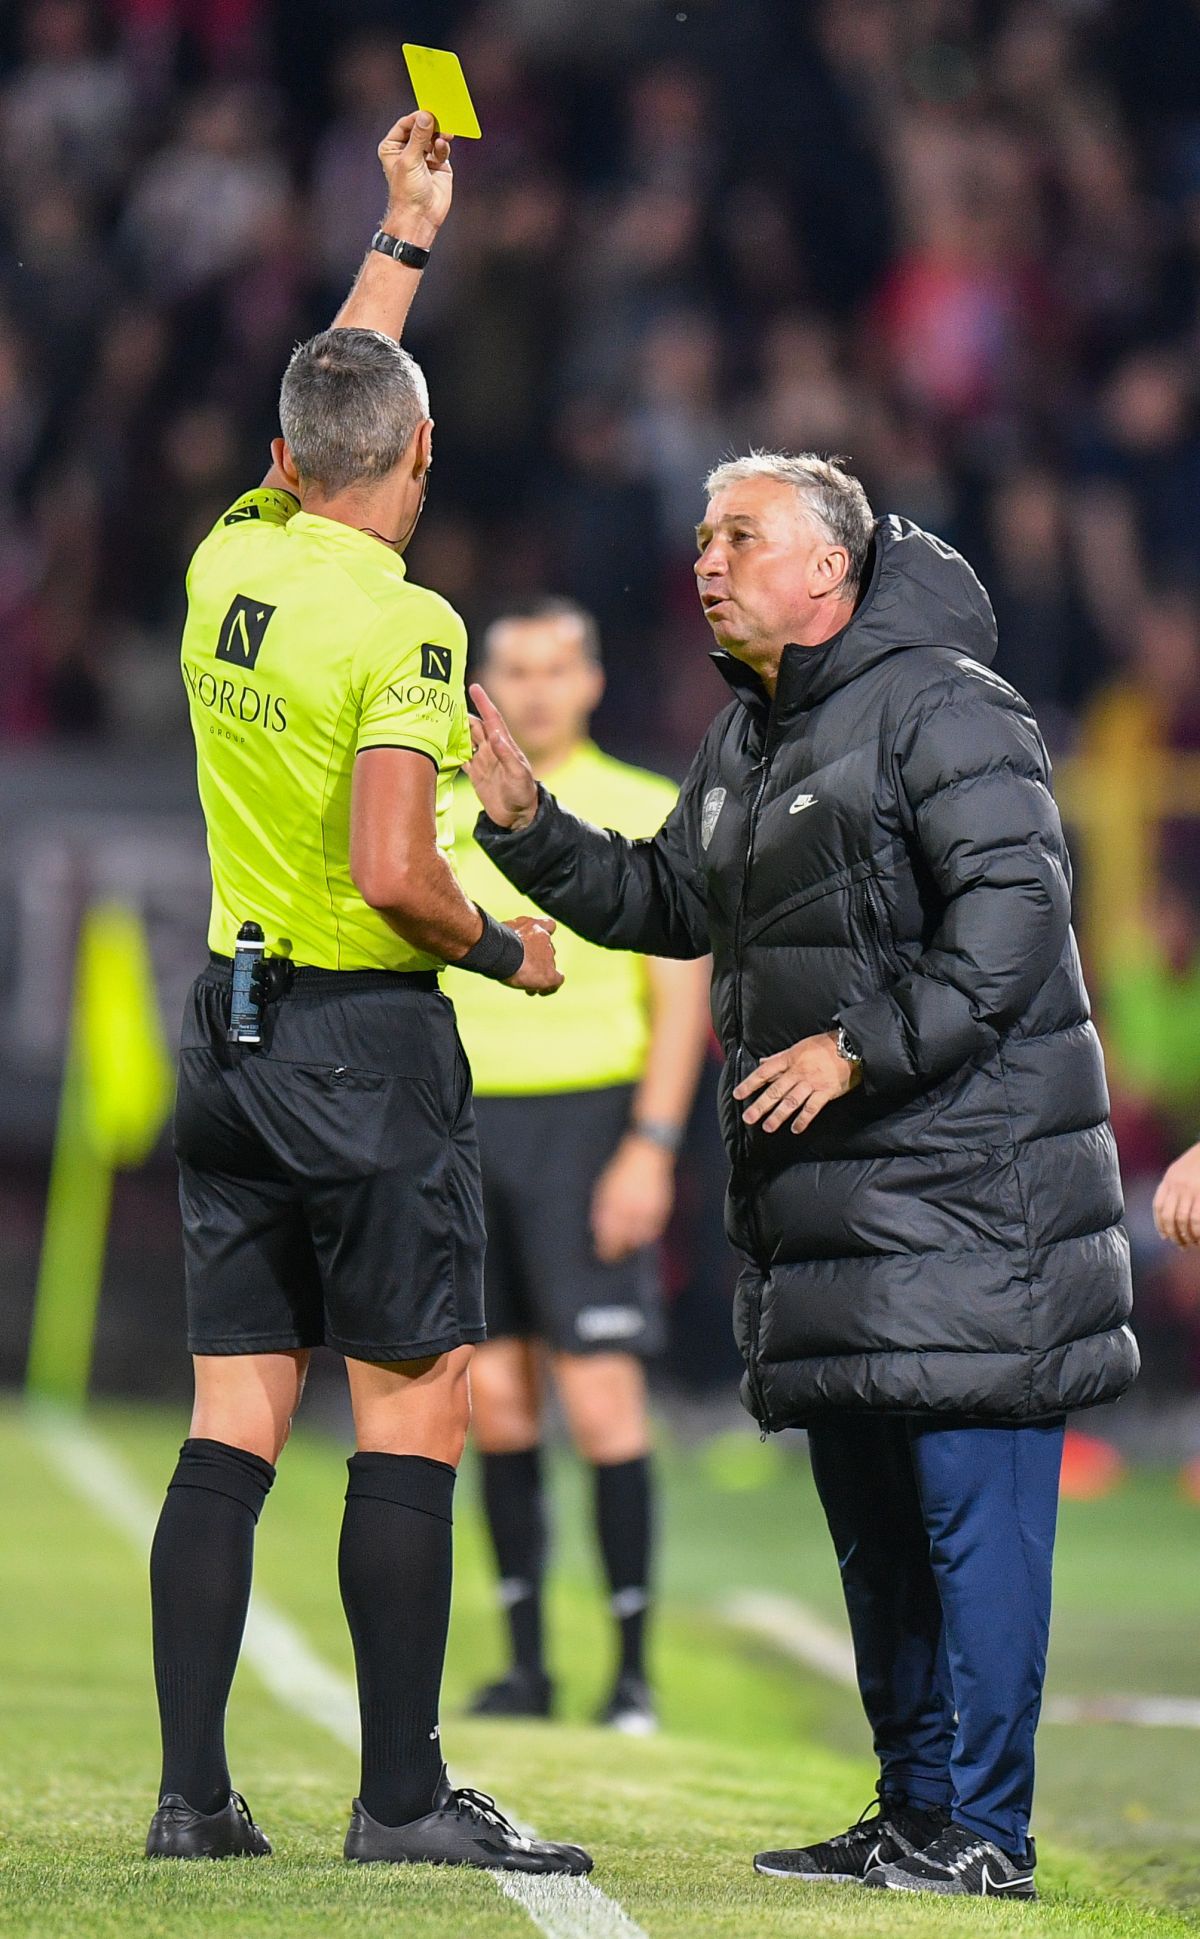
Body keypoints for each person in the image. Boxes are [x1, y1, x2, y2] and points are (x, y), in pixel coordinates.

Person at [467, 452, 1138, 1899]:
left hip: (975, 1202)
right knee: (884, 1544)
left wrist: (853, 1048)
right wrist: (528, 830)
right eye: (704, 535)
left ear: (828, 566)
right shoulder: (753, 734)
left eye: (741, 534)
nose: (706, 558)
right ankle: (910, 1808)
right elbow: (665, 898)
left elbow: (1015, 919)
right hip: (840, 1217)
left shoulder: (949, 701)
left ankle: (990, 1831)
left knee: (973, 1537)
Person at [145, 108, 591, 1876]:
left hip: (230, 1027)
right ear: (412, 462)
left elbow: (341, 391)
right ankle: (402, 1797)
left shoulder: (227, 559)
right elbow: (405, 867)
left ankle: (195, 1799)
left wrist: (403, 237)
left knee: (230, 1413)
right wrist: (513, 946)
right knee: (413, 1400)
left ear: (282, 455)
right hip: (362, 1039)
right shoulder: (407, 623)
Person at [443, 600, 711, 1733]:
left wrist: (649, 1147)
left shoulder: (644, 808)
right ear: (482, 684)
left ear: (593, 683)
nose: (538, 689)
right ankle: (526, 1666)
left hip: (590, 1125)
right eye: (516, 668)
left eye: (558, 668)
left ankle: (637, 1672)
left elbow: (682, 993)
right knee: (495, 1398)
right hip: (461, 1125)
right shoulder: (440, 805)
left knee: (602, 1398)